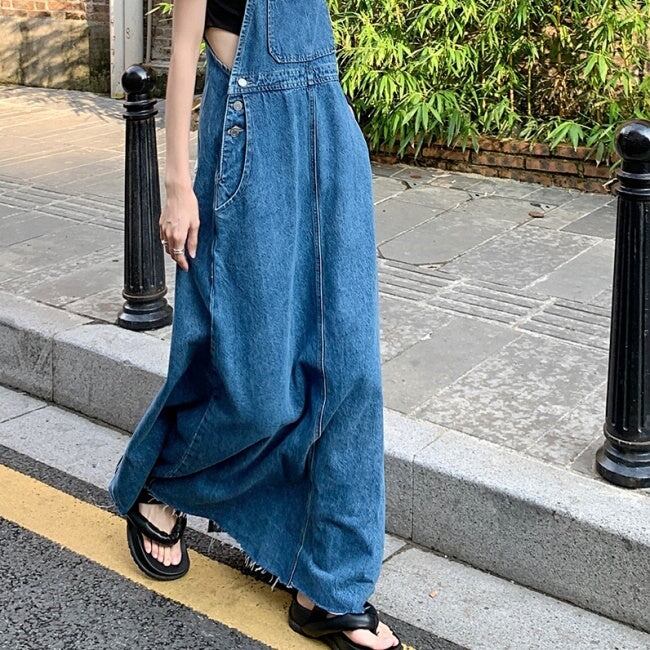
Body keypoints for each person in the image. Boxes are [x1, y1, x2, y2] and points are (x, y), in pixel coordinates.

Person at [108, 1, 401, 648]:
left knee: (351, 372)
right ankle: (164, 480)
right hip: (248, 135)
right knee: (258, 385)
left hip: (327, 126)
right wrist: (177, 185)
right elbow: (185, 47)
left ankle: (329, 589)